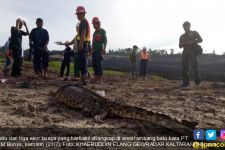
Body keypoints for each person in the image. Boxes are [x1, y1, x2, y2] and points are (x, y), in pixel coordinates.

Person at [179, 21, 203, 87]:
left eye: (186, 26)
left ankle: (197, 82)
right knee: (184, 68)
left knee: (195, 67)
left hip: (192, 51)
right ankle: (185, 82)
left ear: (189, 26)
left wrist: (192, 41)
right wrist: (183, 43)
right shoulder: (182, 36)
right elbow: (179, 45)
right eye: (184, 27)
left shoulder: (194, 33)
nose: (185, 28)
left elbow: (200, 40)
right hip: (185, 52)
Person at [75, 6, 91, 85]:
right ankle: (83, 79)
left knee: (83, 62)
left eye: (78, 14)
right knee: (82, 62)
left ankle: (84, 80)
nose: (77, 16)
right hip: (83, 44)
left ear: (82, 14)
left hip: (83, 44)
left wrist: (81, 44)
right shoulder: (83, 22)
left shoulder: (83, 22)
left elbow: (83, 33)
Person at [91, 17, 107, 84]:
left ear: (97, 23)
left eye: (94, 24)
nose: (93, 26)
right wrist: (91, 50)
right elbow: (93, 42)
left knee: (99, 64)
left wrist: (104, 49)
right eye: (93, 24)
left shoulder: (102, 31)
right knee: (94, 64)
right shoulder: (94, 33)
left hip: (99, 50)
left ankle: (100, 79)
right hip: (94, 51)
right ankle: (96, 78)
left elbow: (105, 41)